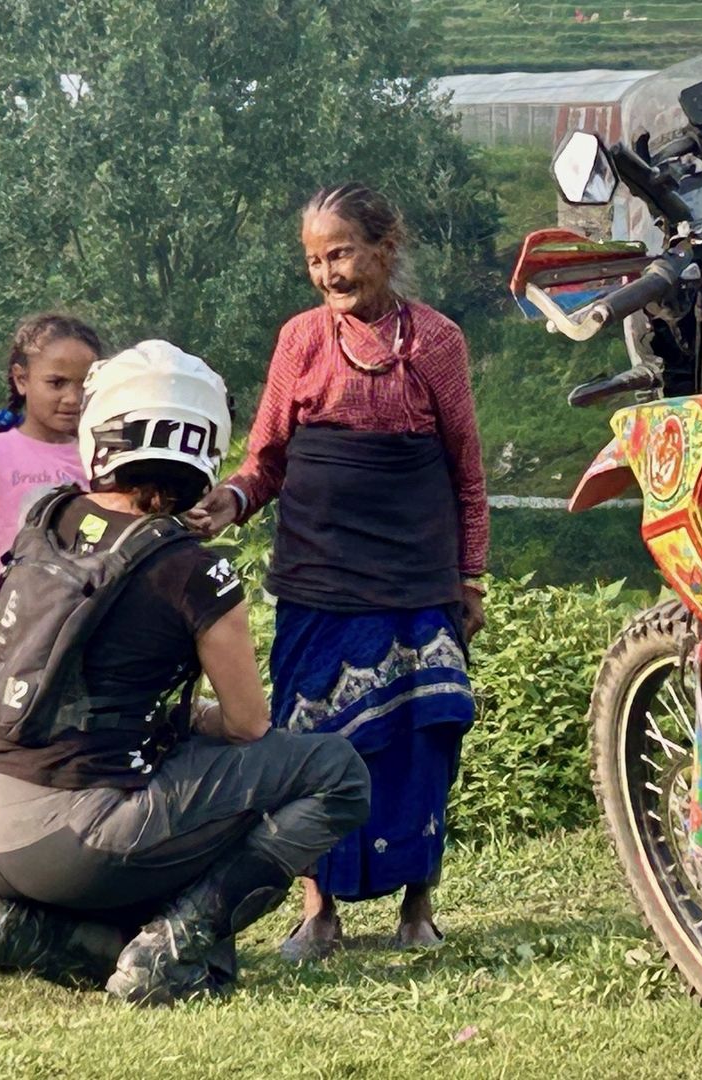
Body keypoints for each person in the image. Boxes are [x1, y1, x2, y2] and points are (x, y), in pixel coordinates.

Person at [0, 341, 370, 1011]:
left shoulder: (46, 521)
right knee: (336, 769)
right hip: (79, 841)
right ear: (205, 446)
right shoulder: (195, 571)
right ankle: (178, 945)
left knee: (163, 807)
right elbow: (249, 723)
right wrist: (193, 723)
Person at [187, 183, 487, 960]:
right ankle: (317, 910)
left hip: (417, 577)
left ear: (385, 248)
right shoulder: (300, 342)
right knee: (312, 734)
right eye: (315, 260)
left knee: (424, 736)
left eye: (341, 253)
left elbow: (467, 473)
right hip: (320, 575)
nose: (328, 273)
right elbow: (268, 459)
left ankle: (418, 906)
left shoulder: (437, 342)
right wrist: (231, 501)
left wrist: (471, 577)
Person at [0, 313, 100, 597]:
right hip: (13, 629)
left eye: (84, 385)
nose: (73, 398)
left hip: (92, 625)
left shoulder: (104, 457)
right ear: (22, 379)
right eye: (57, 383)